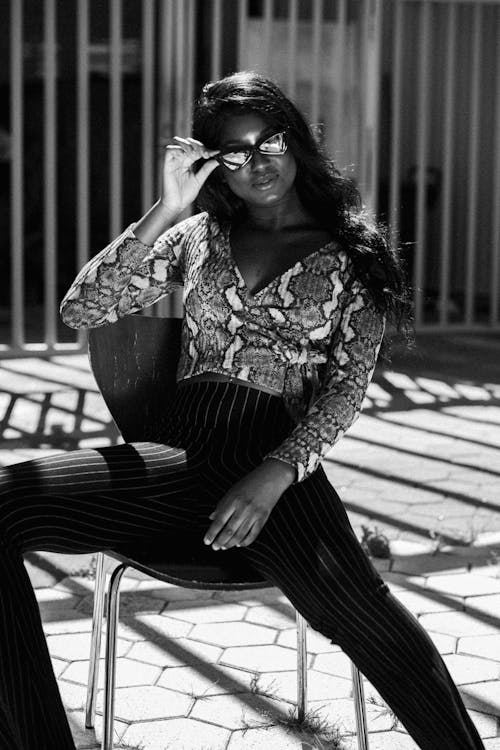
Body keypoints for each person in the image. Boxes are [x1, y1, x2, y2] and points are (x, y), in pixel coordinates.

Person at [0, 72, 483, 750]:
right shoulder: (197, 236)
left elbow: (344, 391)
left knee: (371, 619)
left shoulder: (353, 256)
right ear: (212, 161)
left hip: (274, 462)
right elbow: (83, 308)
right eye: (234, 150)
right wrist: (165, 209)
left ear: (298, 141)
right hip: (178, 455)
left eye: (270, 141)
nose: (256, 163)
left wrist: (275, 473)